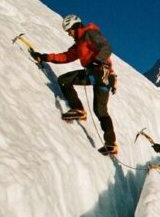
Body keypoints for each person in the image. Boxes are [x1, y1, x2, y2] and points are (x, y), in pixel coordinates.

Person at [30, 14, 119, 155]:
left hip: (99, 72)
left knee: (64, 80)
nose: (69, 34)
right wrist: (45, 57)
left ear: (76, 26)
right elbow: (66, 56)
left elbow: (106, 47)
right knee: (100, 110)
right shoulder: (79, 44)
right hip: (105, 77)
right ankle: (111, 144)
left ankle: (78, 109)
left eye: (69, 30)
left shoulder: (90, 34)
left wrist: (97, 60)